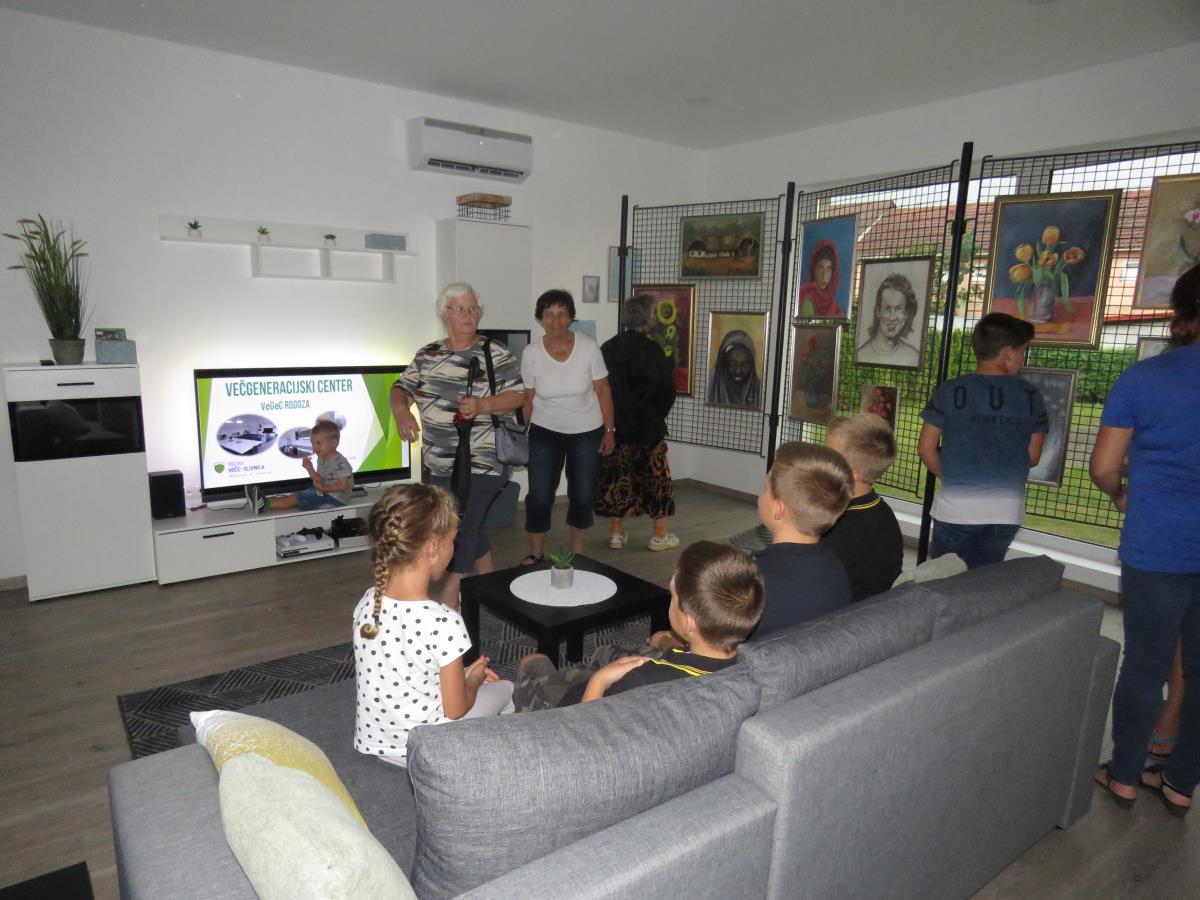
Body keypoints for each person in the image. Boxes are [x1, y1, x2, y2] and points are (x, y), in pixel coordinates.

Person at [1090, 265, 1200, 816]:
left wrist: (1121, 496)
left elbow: (1104, 466)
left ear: (1181, 313)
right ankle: (1181, 783)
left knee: (1144, 664)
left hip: (1158, 543)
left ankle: (1126, 776)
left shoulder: (1144, 379)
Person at [352, 483, 515, 767]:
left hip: (378, 742)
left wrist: (461, 673)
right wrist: (474, 679)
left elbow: (404, 670)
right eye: (452, 541)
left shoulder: (368, 602)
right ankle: (507, 752)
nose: (455, 548)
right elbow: (455, 709)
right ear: (432, 548)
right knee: (508, 688)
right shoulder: (443, 621)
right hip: (427, 748)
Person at [389, 283, 525, 607]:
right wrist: (400, 412)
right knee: (467, 523)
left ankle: (454, 588)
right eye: (460, 308)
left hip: (485, 457)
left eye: (473, 308)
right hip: (440, 460)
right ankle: (491, 585)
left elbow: (518, 396)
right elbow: (400, 388)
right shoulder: (428, 355)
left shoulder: (495, 352)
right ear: (445, 314)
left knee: (460, 524)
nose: (468, 314)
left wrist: (483, 405)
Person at [511, 541, 764, 711]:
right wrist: (668, 641)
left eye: (673, 595)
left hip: (571, 710)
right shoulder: (749, 669)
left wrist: (600, 680)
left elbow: (585, 732)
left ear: (689, 622)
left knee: (532, 661)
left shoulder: (641, 682)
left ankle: (522, 714)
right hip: (622, 680)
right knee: (603, 653)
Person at [917, 312, 1047, 569]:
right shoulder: (1031, 395)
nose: (1023, 358)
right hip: (1006, 512)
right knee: (985, 581)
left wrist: (951, 475)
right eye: (1023, 351)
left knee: (944, 580)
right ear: (1007, 353)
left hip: (955, 509)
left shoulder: (950, 390)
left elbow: (925, 448)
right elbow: (1033, 457)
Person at [520, 289, 615, 562]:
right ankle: (535, 552)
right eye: (549, 314)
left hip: (586, 430)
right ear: (540, 318)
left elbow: (604, 390)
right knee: (539, 494)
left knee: (582, 493)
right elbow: (528, 397)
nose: (556, 320)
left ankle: (578, 550)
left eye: (561, 314)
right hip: (544, 430)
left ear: (571, 317)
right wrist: (520, 434)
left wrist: (609, 431)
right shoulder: (531, 353)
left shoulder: (588, 347)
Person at [595, 294, 680, 552]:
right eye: (653, 313)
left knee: (618, 478)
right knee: (656, 479)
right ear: (647, 318)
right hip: (647, 427)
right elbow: (666, 390)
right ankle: (659, 535)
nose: (655, 318)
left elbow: (599, 389)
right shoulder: (652, 350)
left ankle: (616, 533)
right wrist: (656, 413)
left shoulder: (608, 348)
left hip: (616, 426)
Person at [751, 441, 854, 637]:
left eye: (765, 487)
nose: (760, 494)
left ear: (779, 508)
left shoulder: (754, 582)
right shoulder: (835, 567)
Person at [823, 414, 904, 601]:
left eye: (829, 456)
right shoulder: (882, 512)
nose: (821, 459)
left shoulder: (842, 526)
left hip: (847, 612)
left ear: (853, 474)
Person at [257, 419, 352, 511]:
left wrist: (324, 489)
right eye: (313, 443)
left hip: (336, 499)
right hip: (325, 492)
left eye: (319, 443)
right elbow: (318, 479)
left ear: (333, 443)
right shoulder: (321, 458)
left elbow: (343, 486)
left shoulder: (339, 462)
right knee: (297, 495)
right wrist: (310, 468)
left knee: (298, 498)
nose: (315, 447)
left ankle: (264, 505)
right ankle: (263, 502)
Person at [856, 273, 922, 366]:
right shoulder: (861, 356)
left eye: (899, 308)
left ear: (906, 313)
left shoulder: (913, 357)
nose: (892, 317)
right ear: (878, 311)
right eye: (887, 308)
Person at [706, 329, 762, 408]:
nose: (738, 371)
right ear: (724, 364)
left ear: (751, 366)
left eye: (744, 365)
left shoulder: (761, 390)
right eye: (732, 364)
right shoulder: (708, 386)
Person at [797, 241, 844, 318]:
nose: (824, 276)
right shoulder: (807, 299)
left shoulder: (835, 308)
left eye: (828, 269)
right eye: (820, 268)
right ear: (813, 270)